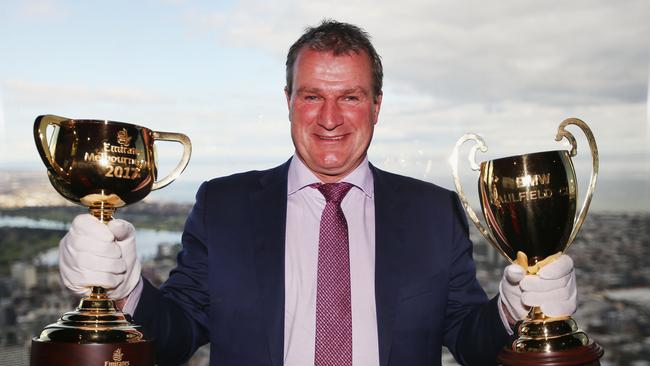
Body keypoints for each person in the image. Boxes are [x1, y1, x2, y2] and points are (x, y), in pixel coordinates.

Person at [59, 20, 577, 366]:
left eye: (349, 97)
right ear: (288, 101)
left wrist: (516, 310)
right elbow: (175, 335)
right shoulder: (224, 206)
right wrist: (125, 289)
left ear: (376, 105)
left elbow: (468, 337)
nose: (329, 119)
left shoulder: (432, 212)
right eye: (312, 96)